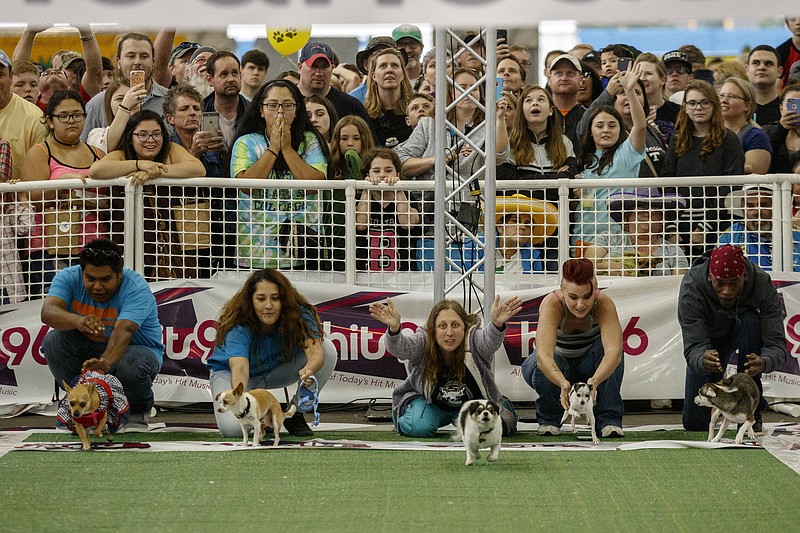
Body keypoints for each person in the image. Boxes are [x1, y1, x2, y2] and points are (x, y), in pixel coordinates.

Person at [40, 238, 164, 431]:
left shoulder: (136, 287)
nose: (97, 286)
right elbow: (47, 312)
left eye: (106, 279)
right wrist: (78, 321)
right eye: (90, 279)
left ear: (120, 275)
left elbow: (125, 330)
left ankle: (138, 412)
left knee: (133, 362)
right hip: (89, 349)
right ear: (81, 273)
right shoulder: (67, 277)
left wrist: (104, 363)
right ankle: (80, 403)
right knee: (53, 340)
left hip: (133, 349)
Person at [206, 268, 338, 438]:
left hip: (276, 370)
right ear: (250, 301)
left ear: (285, 300)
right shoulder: (239, 325)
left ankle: (295, 413)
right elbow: (240, 368)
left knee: (328, 349)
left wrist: (310, 369)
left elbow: (316, 352)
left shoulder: (300, 314)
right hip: (232, 374)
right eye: (261, 299)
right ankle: (260, 418)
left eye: (275, 298)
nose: (268, 305)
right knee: (233, 429)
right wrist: (245, 405)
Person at [369, 295, 522, 437]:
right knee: (419, 427)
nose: (449, 332)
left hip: (472, 406)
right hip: (430, 404)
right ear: (433, 330)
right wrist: (394, 329)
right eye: (442, 326)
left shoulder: (475, 340)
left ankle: (502, 406)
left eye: (455, 325)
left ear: (465, 327)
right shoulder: (424, 340)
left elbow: (489, 341)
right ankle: (406, 415)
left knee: (491, 430)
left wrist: (496, 324)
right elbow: (401, 349)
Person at [678, 243, 788, 434]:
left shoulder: (761, 283)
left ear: (744, 277)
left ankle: (751, 408)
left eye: (734, 284)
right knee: (695, 423)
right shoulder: (692, 286)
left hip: (745, 333)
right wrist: (702, 358)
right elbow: (692, 345)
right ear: (710, 277)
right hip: (709, 341)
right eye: (719, 284)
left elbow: (776, 343)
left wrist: (765, 361)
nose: (727, 291)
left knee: (751, 321)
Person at [89, 110, 207, 279]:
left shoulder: (171, 150)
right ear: (131, 137)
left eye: (156, 134)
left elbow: (198, 168)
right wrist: (139, 164)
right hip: (128, 242)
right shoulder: (121, 155)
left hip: (171, 244)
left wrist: (154, 172)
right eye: (142, 135)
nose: (150, 140)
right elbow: (96, 171)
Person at [230, 79, 330, 269]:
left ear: (297, 109)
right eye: (272, 105)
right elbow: (245, 186)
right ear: (261, 110)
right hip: (255, 256)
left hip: (302, 254)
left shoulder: (310, 141)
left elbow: (315, 185)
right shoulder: (246, 142)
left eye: (287, 105)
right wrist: (274, 149)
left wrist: (287, 149)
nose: (280, 112)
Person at [520, 258, 624, 437]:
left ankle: (608, 420)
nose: (580, 304)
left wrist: (595, 381)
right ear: (563, 291)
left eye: (587, 297)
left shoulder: (604, 303)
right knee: (549, 358)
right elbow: (543, 356)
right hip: (557, 367)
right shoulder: (552, 304)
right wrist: (562, 383)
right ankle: (550, 420)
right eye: (573, 297)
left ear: (595, 291)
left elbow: (614, 353)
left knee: (612, 351)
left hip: (588, 368)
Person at [22, 90, 107, 296]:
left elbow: (110, 200)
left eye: (77, 115)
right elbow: (32, 198)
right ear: (50, 121)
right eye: (63, 116)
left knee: (94, 309)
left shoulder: (98, 154)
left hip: (93, 245)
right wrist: (63, 183)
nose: (71, 121)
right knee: (54, 305)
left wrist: (78, 197)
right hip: (48, 246)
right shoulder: (39, 152)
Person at [662, 80, 744, 261]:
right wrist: (671, 227)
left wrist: (704, 227)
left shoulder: (728, 139)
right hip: (680, 222)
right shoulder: (677, 139)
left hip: (717, 223)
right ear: (685, 107)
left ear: (714, 105)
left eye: (704, 102)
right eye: (692, 103)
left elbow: (731, 185)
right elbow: (666, 181)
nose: (698, 107)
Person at [572, 63, 647, 254]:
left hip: (617, 240)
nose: (606, 130)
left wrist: (629, 91)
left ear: (620, 130)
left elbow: (640, 126)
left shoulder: (626, 154)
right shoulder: (582, 161)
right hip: (581, 238)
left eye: (612, 125)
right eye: (600, 126)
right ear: (590, 131)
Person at [81, 32, 169, 141]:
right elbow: (86, 149)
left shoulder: (169, 99)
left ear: (153, 62)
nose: (137, 62)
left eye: (144, 56)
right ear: (118, 62)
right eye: (131, 56)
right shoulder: (98, 104)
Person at [586, 188, 688, 277]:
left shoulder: (674, 251)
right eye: (639, 208)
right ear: (627, 217)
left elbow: (679, 286)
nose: (646, 213)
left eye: (654, 209)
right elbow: (584, 268)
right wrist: (605, 266)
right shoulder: (607, 238)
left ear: (663, 219)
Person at [355, 147, 419, 271]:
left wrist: (398, 189)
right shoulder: (360, 198)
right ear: (367, 175)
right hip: (365, 273)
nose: (382, 175)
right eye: (376, 171)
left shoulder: (407, 198)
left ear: (397, 174)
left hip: (402, 274)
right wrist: (366, 189)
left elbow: (407, 223)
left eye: (388, 170)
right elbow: (361, 225)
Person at [719, 184, 800, 271]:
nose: (757, 212)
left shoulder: (796, 235)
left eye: (763, 205)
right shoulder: (729, 238)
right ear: (743, 210)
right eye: (750, 206)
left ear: (777, 208)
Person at [0, 49, 48, 182]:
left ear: (10, 77)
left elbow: (39, 175)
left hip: (19, 200)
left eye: (0, 74)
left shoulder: (35, 118)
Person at [718, 77, 772, 174]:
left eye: (732, 96)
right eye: (721, 96)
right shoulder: (710, 132)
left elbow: (753, 178)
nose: (724, 101)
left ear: (747, 106)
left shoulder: (756, 136)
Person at [364, 47, 413, 147]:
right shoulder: (364, 116)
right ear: (373, 76)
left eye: (394, 65)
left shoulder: (414, 111)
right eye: (383, 66)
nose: (389, 70)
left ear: (403, 74)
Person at [764, 83, 800, 173]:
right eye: (792, 104)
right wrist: (781, 130)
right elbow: (765, 158)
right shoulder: (767, 131)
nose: (796, 109)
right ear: (781, 109)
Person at [746, 45, 783, 126]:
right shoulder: (737, 109)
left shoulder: (787, 109)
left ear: (779, 71)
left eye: (768, 63)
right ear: (747, 70)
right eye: (756, 63)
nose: (761, 67)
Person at [392, 24, 425, 91]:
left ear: (421, 49)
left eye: (413, 44)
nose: (407, 50)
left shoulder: (431, 78)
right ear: (393, 50)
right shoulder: (388, 80)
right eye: (401, 45)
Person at [777, 17, 800, 87]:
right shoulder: (780, 52)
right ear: (787, 25)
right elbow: (776, 83)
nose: (798, 23)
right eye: (793, 19)